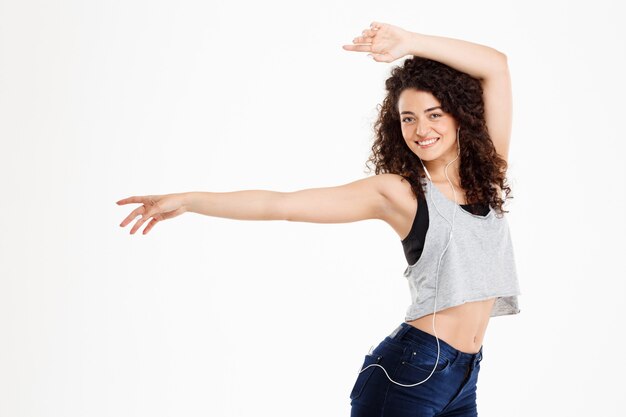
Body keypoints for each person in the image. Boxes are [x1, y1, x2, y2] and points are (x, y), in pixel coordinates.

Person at [116, 21, 521, 417]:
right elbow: (283, 205)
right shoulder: (401, 192)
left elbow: (496, 66)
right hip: (411, 376)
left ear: (459, 116)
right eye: (408, 118)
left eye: (434, 114)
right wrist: (189, 200)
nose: (421, 129)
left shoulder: (487, 175)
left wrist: (410, 41)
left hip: (464, 378)